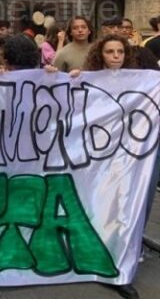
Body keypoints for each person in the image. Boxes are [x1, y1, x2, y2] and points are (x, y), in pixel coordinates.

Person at [69, 34, 140, 299]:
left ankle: (119, 266)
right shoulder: (88, 79)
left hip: (128, 157)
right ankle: (90, 255)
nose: (116, 56)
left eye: (120, 51)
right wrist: (75, 78)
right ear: (101, 54)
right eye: (110, 52)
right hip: (96, 157)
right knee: (96, 205)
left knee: (122, 207)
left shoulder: (139, 81)